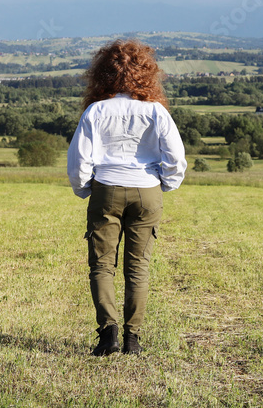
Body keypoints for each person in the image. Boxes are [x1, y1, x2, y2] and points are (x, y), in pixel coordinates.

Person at [67, 39, 187, 356]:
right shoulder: (156, 112)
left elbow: (78, 161)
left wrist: (84, 189)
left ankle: (108, 335)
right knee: (138, 268)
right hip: (147, 192)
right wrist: (165, 184)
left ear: (102, 75)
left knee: (102, 266)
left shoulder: (96, 111)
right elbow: (176, 158)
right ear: (146, 74)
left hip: (105, 188)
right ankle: (133, 338)